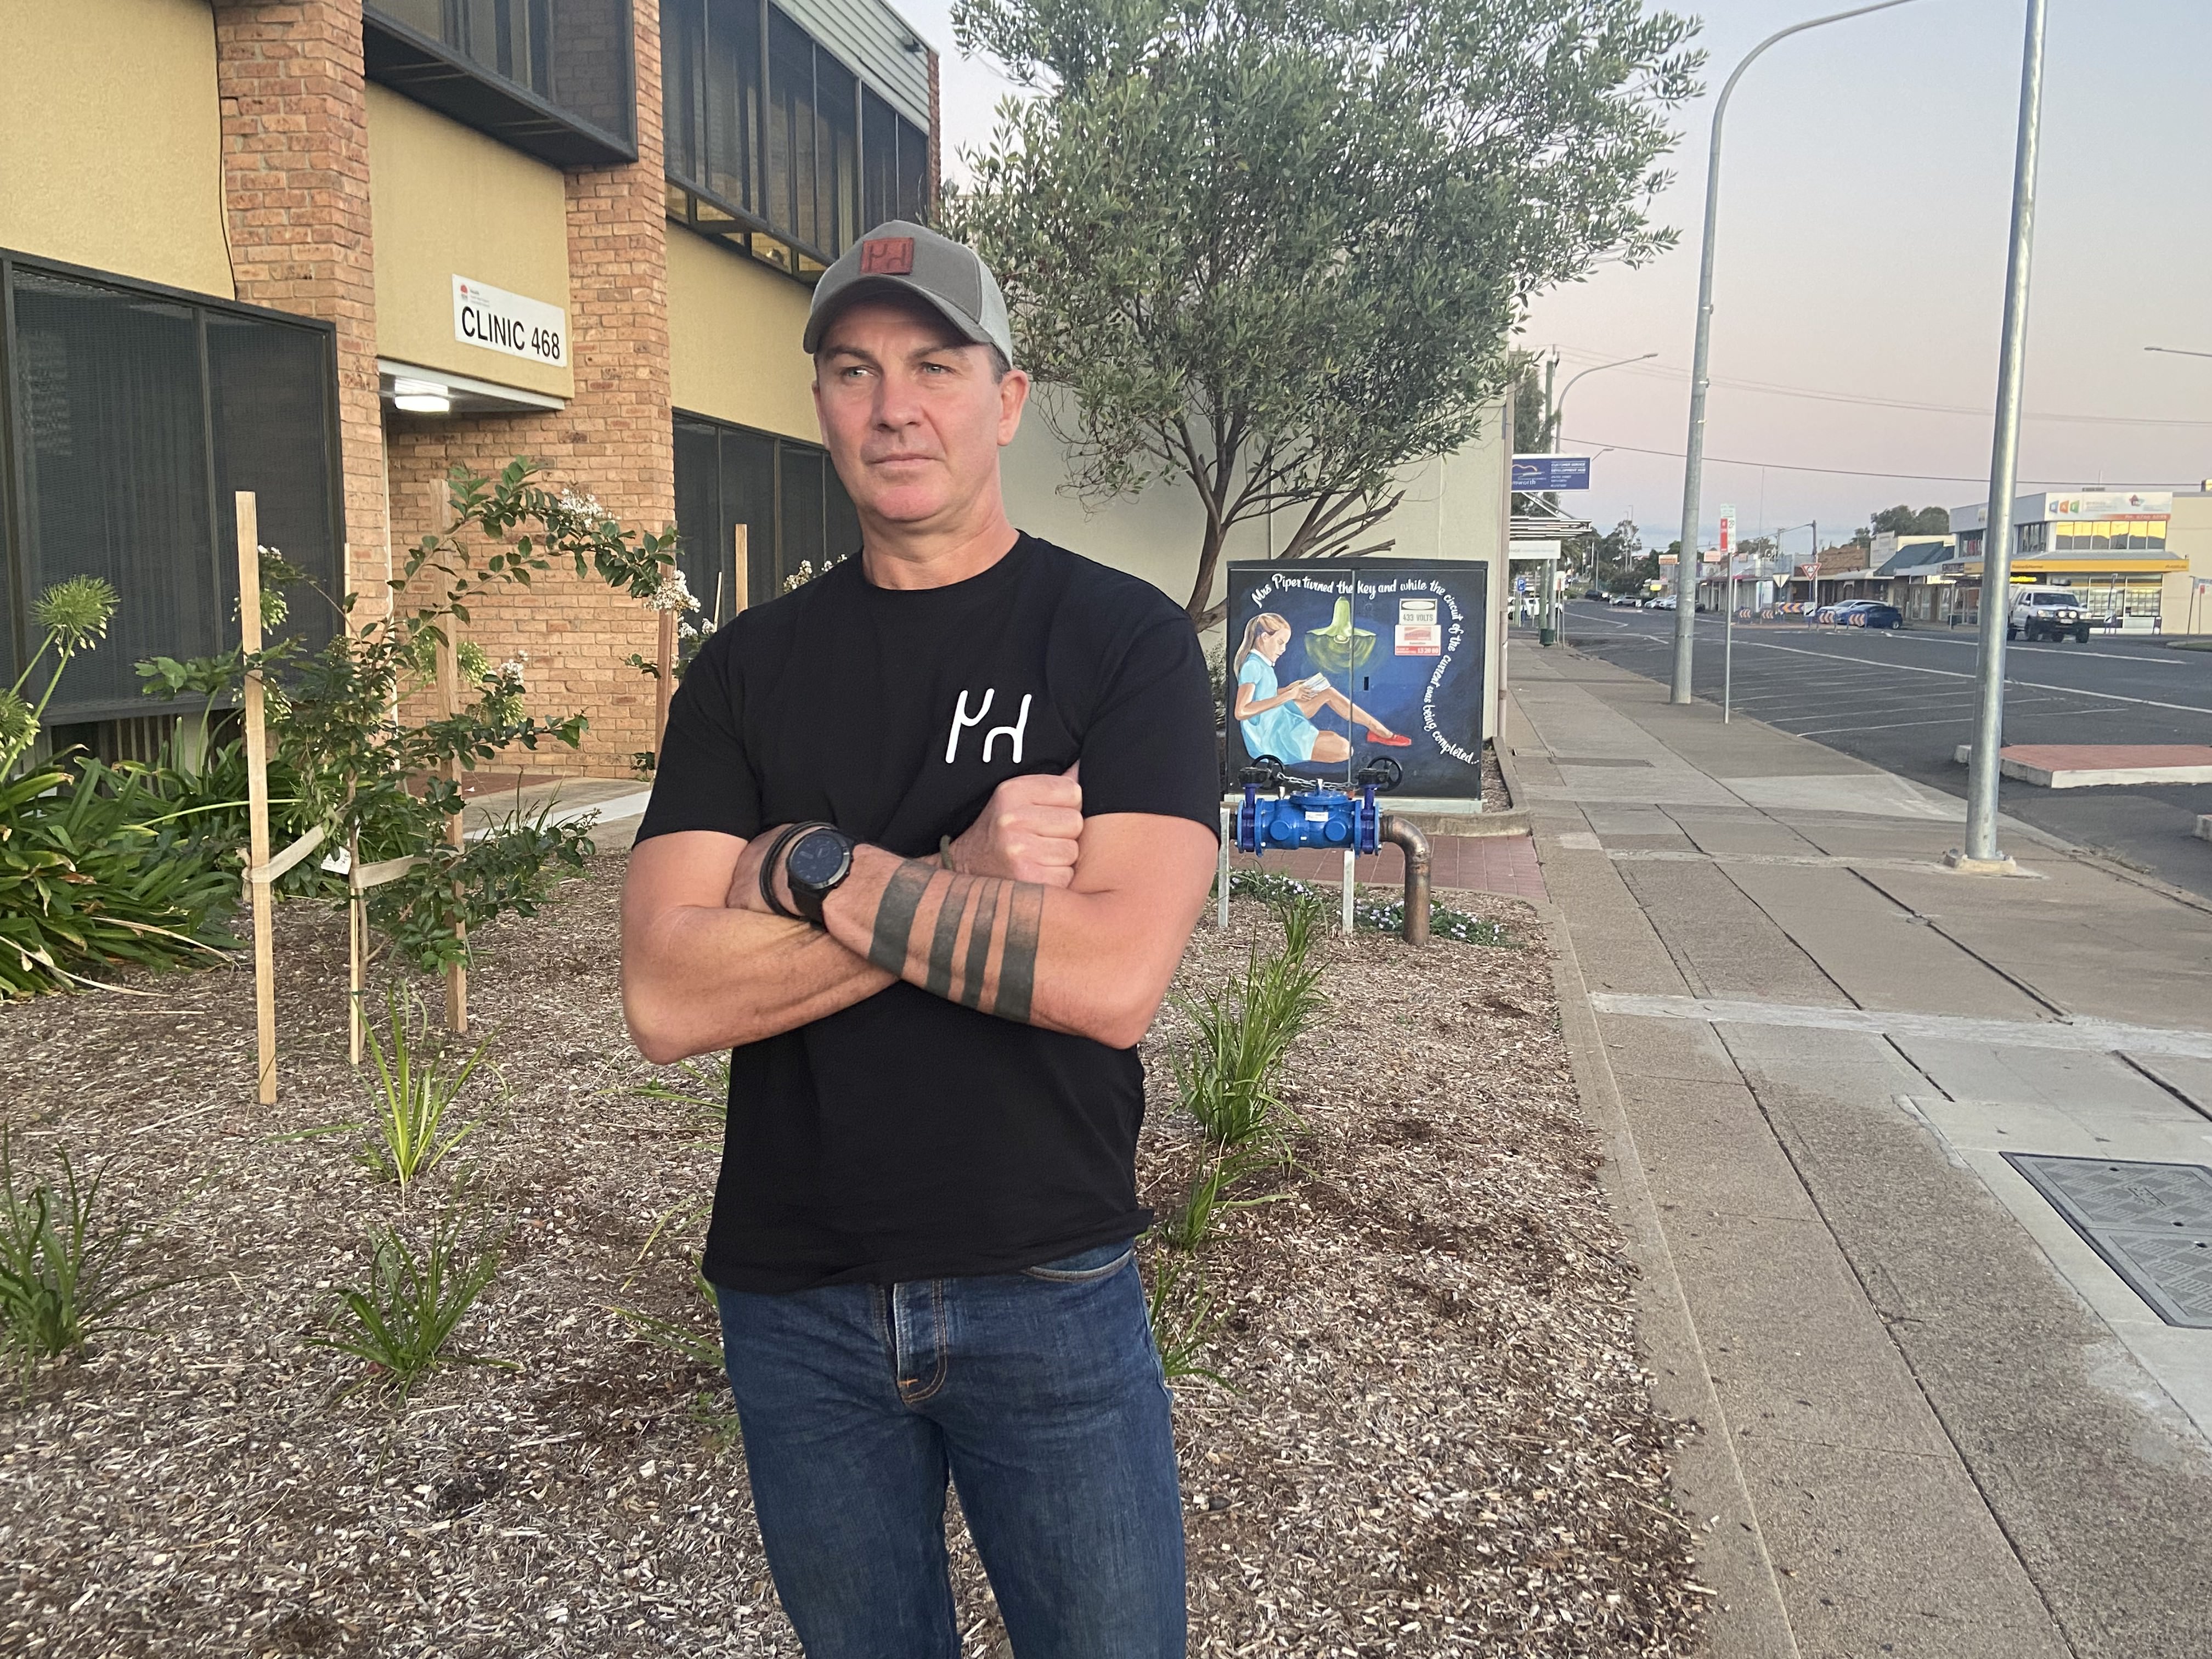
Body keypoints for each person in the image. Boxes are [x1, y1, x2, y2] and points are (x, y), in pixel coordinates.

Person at [620, 220, 1218, 1657]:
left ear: (1005, 400)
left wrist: (806, 872)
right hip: (796, 1300)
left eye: (936, 365)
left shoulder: (1120, 644)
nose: (896, 405)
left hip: (1049, 1286)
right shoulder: (748, 670)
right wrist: (964, 870)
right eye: (853, 370)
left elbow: (1109, 976)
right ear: (820, 403)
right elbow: (665, 993)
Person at [1230, 610, 1408, 768]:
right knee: (1345, 749)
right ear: (1264, 638)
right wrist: (1289, 695)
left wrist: (1289, 689)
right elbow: (1242, 711)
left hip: (1276, 719)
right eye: (1280, 643)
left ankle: (1379, 731)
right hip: (1270, 736)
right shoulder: (1252, 666)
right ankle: (1380, 732)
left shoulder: (1262, 664)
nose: (1283, 649)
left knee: (1327, 693)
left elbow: (1262, 695)